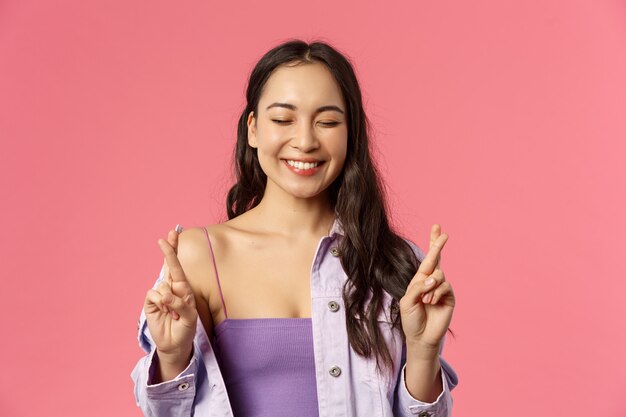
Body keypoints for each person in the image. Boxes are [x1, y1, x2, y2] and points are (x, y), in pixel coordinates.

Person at [131, 39, 459, 417]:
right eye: (283, 119)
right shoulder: (199, 256)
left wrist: (423, 351)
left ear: (351, 133)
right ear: (253, 129)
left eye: (328, 122)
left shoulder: (395, 261)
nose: (305, 141)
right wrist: (172, 357)